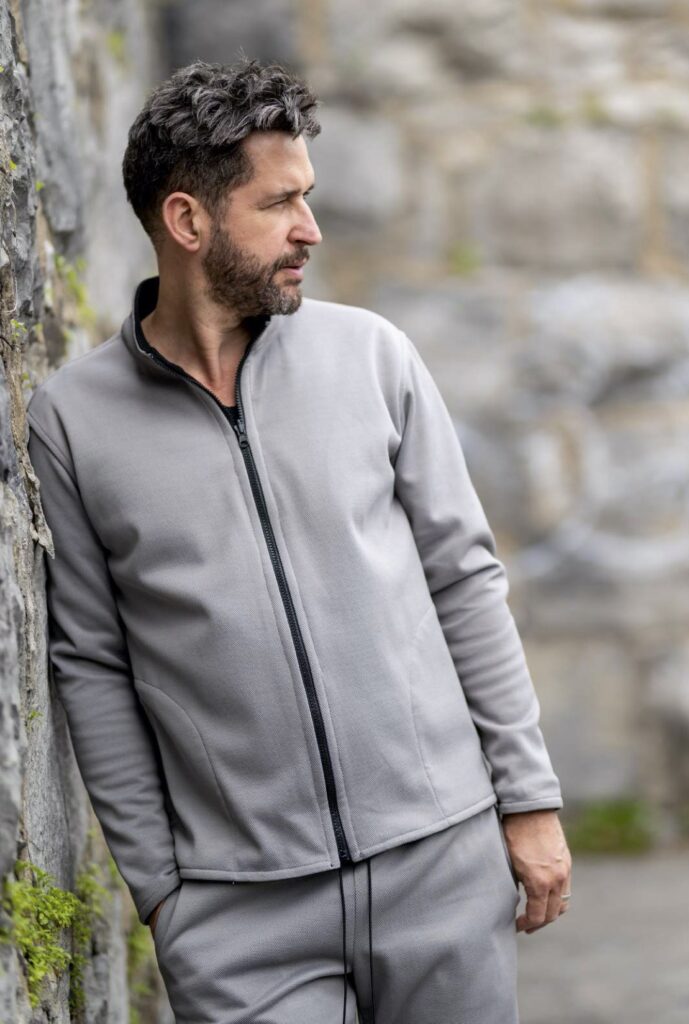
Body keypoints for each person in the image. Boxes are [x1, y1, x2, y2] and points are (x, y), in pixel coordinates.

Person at [25, 58, 572, 1024]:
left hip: (440, 865)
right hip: (240, 917)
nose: (310, 230)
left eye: (307, 199)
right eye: (281, 204)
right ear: (189, 222)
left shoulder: (372, 357)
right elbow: (93, 664)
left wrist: (526, 803)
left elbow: (465, 580)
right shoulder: (74, 423)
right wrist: (163, 889)